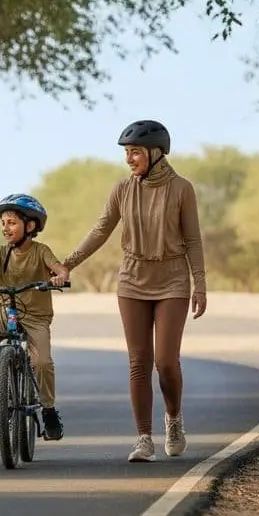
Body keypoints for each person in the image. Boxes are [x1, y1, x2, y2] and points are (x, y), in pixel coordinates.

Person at [60, 119, 206, 462]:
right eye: (127, 153)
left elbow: (193, 240)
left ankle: (173, 419)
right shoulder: (122, 189)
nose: (130, 159)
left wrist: (200, 283)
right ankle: (143, 439)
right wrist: (68, 262)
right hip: (132, 278)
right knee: (138, 362)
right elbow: (100, 230)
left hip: (172, 278)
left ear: (156, 153)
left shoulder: (182, 189)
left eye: (136, 152)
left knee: (166, 362)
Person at [0, 193, 70, 440]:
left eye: (12, 223)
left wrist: (60, 276)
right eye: (3, 223)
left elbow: (59, 267)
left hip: (36, 316)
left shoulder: (41, 251)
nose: (5, 228)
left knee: (42, 363)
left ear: (30, 226)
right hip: (6, 309)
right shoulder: (0, 252)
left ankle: (49, 410)